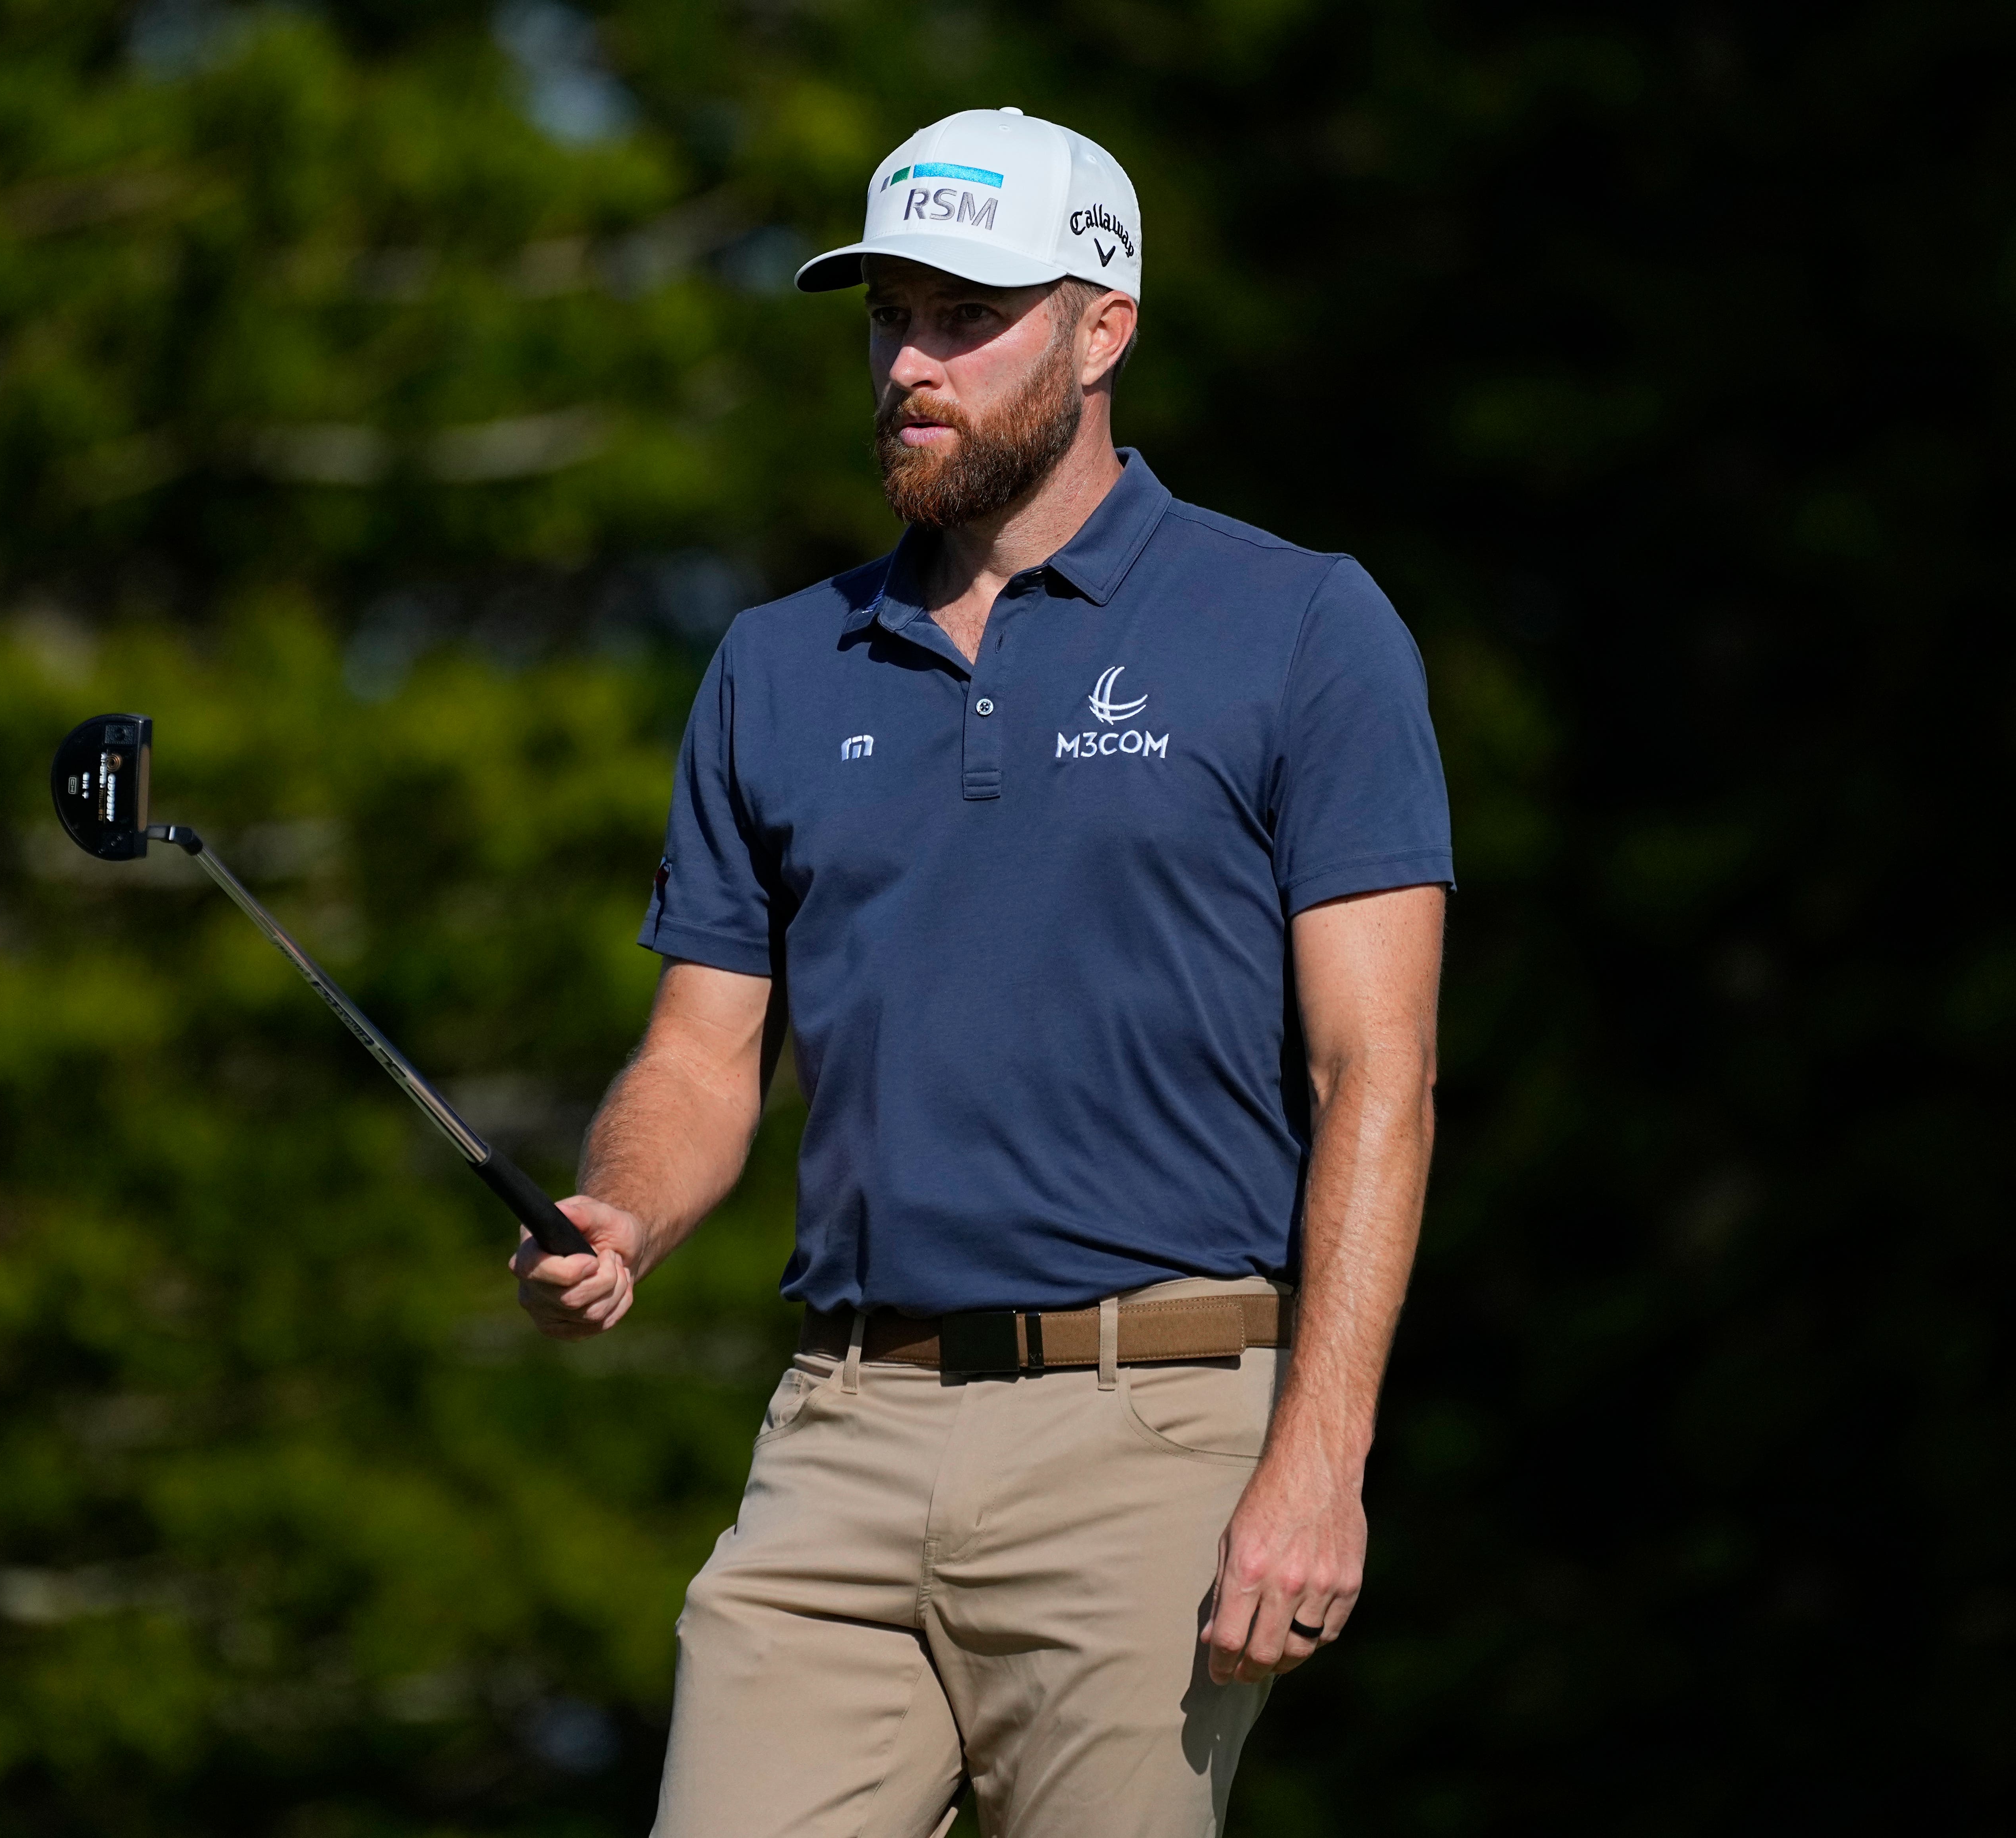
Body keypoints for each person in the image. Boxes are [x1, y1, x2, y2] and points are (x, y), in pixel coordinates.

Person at [512, 106, 1450, 1838]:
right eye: (889, 316)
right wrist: (624, 1208)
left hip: (1155, 1438)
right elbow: (705, 1056)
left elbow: (1372, 1073)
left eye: (967, 317)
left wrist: (1318, 1464)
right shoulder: (774, 665)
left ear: (1105, 330)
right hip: (840, 1435)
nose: (909, 364)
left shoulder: (1301, 627)